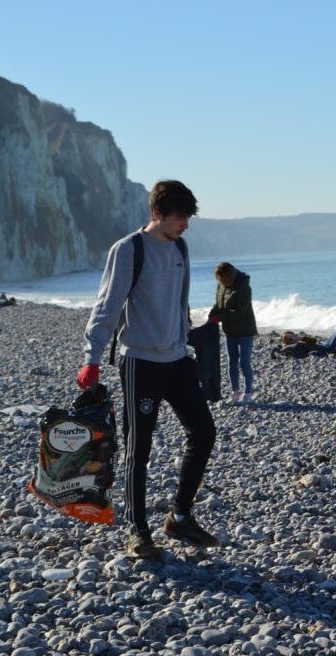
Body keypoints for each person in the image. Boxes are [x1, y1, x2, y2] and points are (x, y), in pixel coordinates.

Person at [78, 180, 219, 559]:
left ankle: (180, 516)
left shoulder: (181, 247)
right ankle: (137, 530)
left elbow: (180, 300)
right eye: (179, 217)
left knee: (204, 432)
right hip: (141, 361)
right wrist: (91, 358)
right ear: (157, 213)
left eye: (188, 217)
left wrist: (188, 337)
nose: (185, 224)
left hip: (176, 359)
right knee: (139, 448)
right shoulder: (129, 250)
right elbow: (107, 305)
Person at [210, 262, 257, 403]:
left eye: (225, 281)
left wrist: (220, 317)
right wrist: (212, 314)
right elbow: (218, 304)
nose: (223, 283)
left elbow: (240, 311)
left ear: (232, 276)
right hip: (230, 331)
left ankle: (247, 393)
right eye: (221, 281)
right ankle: (235, 393)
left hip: (246, 330)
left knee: (244, 362)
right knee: (232, 362)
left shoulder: (244, 287)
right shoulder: (221, 286)